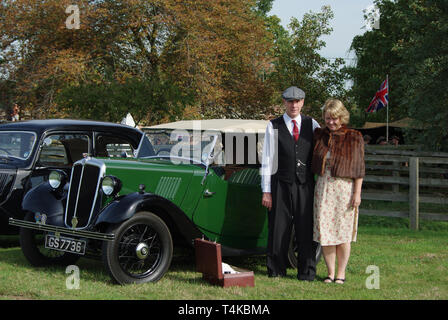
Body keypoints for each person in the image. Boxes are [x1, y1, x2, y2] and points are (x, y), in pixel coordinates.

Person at [261, 86, 320, 280]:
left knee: (306, 228)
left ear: (302, 102)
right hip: (281, 183)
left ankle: (307, 271)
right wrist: (266, 191)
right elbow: (268, 160)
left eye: (297, 101)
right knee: (278, 227)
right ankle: (276, 269)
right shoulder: (273, 126)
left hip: (305, 184)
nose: (294, 105)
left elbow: (321, 153)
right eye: (290, 101)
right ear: (284, 102)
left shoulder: (312, 124)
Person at [311, 99, 365, 284]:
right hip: (323, 188)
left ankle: (341, 274)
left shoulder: (354, 137)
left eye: (334, 119)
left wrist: (357, 194)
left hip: (344, 190)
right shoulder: (319, 135)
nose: (331, 122)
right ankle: (330, 273)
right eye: (328, 119)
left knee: (342, 234)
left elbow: (359, 169)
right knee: (326, 234)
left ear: (342, 117)